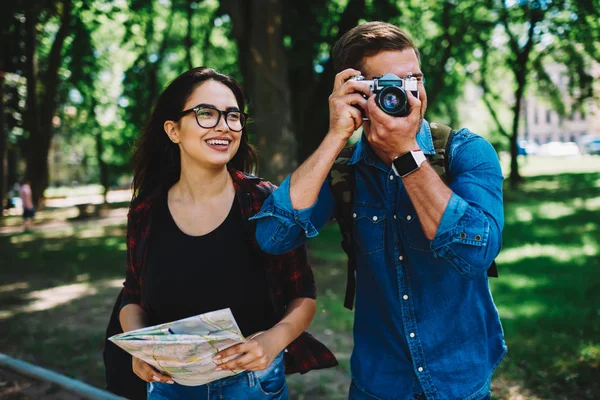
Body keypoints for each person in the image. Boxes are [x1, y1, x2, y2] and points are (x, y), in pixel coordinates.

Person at [252, 22, 506, 400]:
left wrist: (407, 157)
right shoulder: (344, 169)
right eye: (389, 83)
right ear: (357, 92)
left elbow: (476, 252)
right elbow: (273, 237)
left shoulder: (465, 152)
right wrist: (337, 134)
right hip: (379, 382)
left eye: (414, 78)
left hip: (460, 378)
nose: (408, 93)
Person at [114, 66, 337, 400]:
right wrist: (138, 348)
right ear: (173, 130)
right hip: (169, 388)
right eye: (206, 113)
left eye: (233, 116)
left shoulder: (263, 202)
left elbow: (302, 295)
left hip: (252, 385)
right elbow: (132, 296)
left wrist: (273, 341)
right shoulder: (146, 212)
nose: (223, 125)